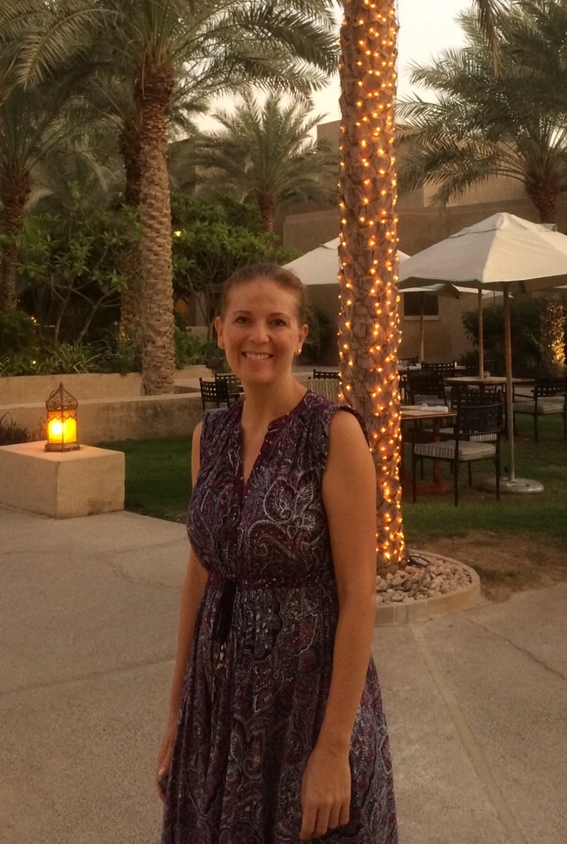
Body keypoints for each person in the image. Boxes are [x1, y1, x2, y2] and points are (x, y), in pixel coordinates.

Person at [156, 261, 397, 843]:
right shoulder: (209, 436)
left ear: (300, 335)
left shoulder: (332, 433)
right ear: (220, 330)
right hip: (218, 701)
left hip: (307, 703)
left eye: (277, 322)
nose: (258, 336)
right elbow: (200, 577)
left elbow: (359, 597)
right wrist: (177, 713)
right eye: (243, 320)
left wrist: (333, 748)